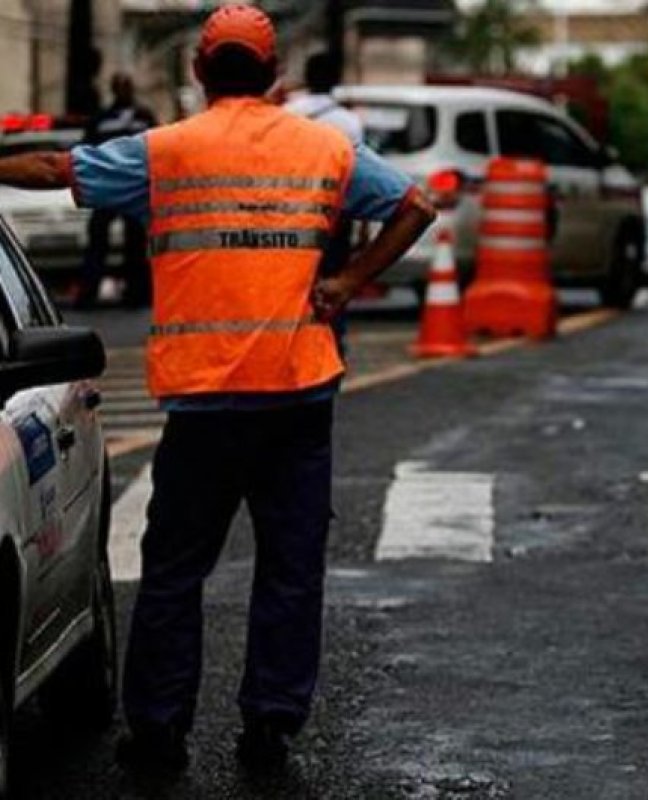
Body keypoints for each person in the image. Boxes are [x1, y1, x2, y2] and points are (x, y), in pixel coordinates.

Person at [0, 4, 435, 777]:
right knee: (290, 569)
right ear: (274, 76)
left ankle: (160, 733)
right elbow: (418, 204)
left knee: (174, 571)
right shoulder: (326, 147)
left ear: (199, 73)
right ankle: (270, 727)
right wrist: (346, 281)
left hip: (204, 402)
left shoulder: (166, 150)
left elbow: (54, 172)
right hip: (298, 393)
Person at [286, 52, 364, 352]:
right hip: (335, 216)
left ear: (306, 77)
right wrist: (361, 224)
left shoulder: (288, 113)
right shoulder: (349, 121)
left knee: (294, 285)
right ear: (337, 80)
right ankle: (331, 343)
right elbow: (355, 175)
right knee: (334, 283)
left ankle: (294, 340)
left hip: (291, 214)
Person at [77, 72, 158, 309]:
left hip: (133, 188)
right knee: (98, 243)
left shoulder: (143, 117)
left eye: (127, 86)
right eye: (120, 86)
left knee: (135, 244)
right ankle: (89, 293)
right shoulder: (102, 118)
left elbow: (156, 146)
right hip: (108, 187)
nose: (124, 90)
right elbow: (88, 148)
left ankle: (137, 294)